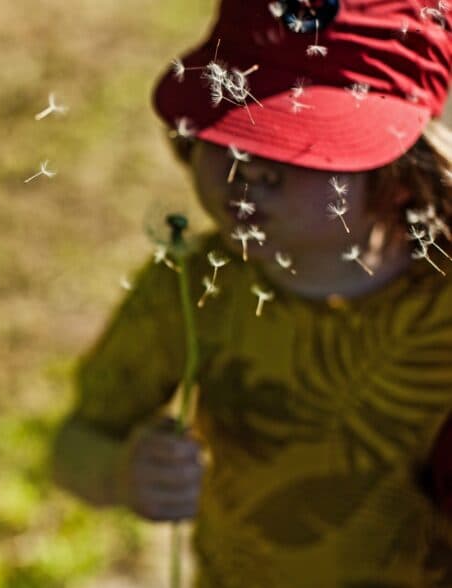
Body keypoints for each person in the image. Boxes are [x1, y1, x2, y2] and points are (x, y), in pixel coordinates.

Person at [50, 1, 452, 586]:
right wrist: (121, 475)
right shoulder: (191, 289)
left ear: (403, 171)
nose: (248, 169)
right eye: (232, 122)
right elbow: (73, 448)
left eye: (303, 145)